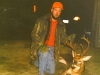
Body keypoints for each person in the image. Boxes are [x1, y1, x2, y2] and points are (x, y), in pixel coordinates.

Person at [30, 2, 68, 75]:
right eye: (55, 10)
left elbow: (63, 38)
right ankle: (41, 72)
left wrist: (68, 39)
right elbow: (34, 34)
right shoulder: (42, 20)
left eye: (59, 11)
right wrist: (41, 44)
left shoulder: (61, 24)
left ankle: (37, 62)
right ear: (51, 10)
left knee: (51, 71)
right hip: (41, 46)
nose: (57, 13)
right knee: (44, 54)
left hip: (53, 49)